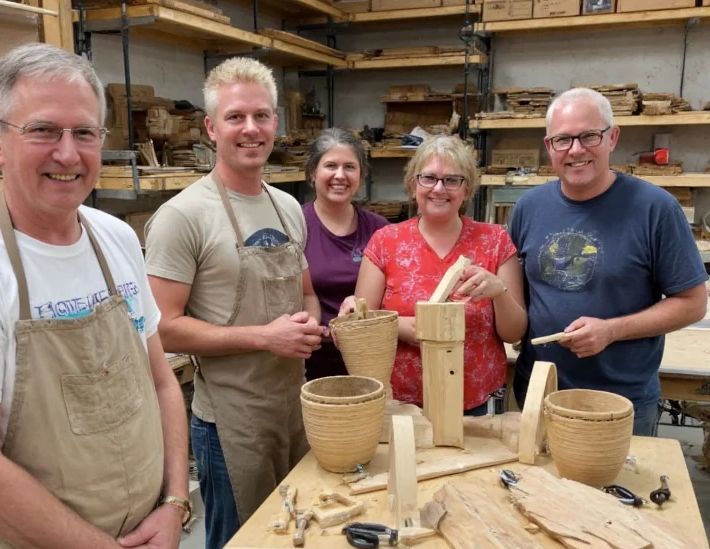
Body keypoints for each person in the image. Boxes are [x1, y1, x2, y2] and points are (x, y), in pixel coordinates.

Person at [0, 43, 189, 549]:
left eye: (84, 133)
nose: (68, 154)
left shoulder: (115, 239)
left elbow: (160, 383)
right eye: (44, 131)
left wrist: (174, 506)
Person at [144, 57, 324, 549]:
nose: (251, 129)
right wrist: (265, 338)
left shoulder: (287, 207)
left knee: (290, 543)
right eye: (236, 117)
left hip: (291, 409)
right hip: (229, 422)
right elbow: (162, 329)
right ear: (210, 127)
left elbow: (305, 291)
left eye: (262, 116)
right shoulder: (182, 216)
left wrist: (306, 322)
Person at [508, 87, 708, 436]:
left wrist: (611, 330)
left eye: (589, 136)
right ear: (549, 147)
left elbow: (693, 304)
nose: (576, 150)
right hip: (539, 391)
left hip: (620, 401)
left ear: (612, 138)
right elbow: (519, 295)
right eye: (563, 140)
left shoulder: (655, 209)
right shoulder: (528, 207)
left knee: (613, 490)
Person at [340, 134, 528, 414]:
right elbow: (363, 327)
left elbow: (514, 333)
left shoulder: (495, 241)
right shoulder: (385, 242)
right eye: (429, 178)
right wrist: (409, 327)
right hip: (403, 404)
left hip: (477, 403)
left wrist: (499, 292)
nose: (439, 189)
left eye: (452, 180)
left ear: (467, 189)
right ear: (413, 185)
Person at [302, 128, 389, 380]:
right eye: (330, 165)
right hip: (309, 363)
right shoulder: (294, 226)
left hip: (370, 361)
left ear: (361, 176)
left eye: (349, 167)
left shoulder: (380, 230)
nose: (340, 175)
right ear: (312, 173)